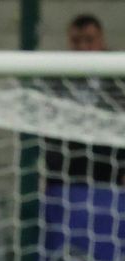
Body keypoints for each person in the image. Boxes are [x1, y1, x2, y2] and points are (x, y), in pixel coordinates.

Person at [41, 15, 125, 186]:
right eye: (76, 41)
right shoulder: (57, 78)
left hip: (111, 157)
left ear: (101, 41)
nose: (83, 47)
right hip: (70, 159)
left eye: (89, 40)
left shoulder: (119, 78)